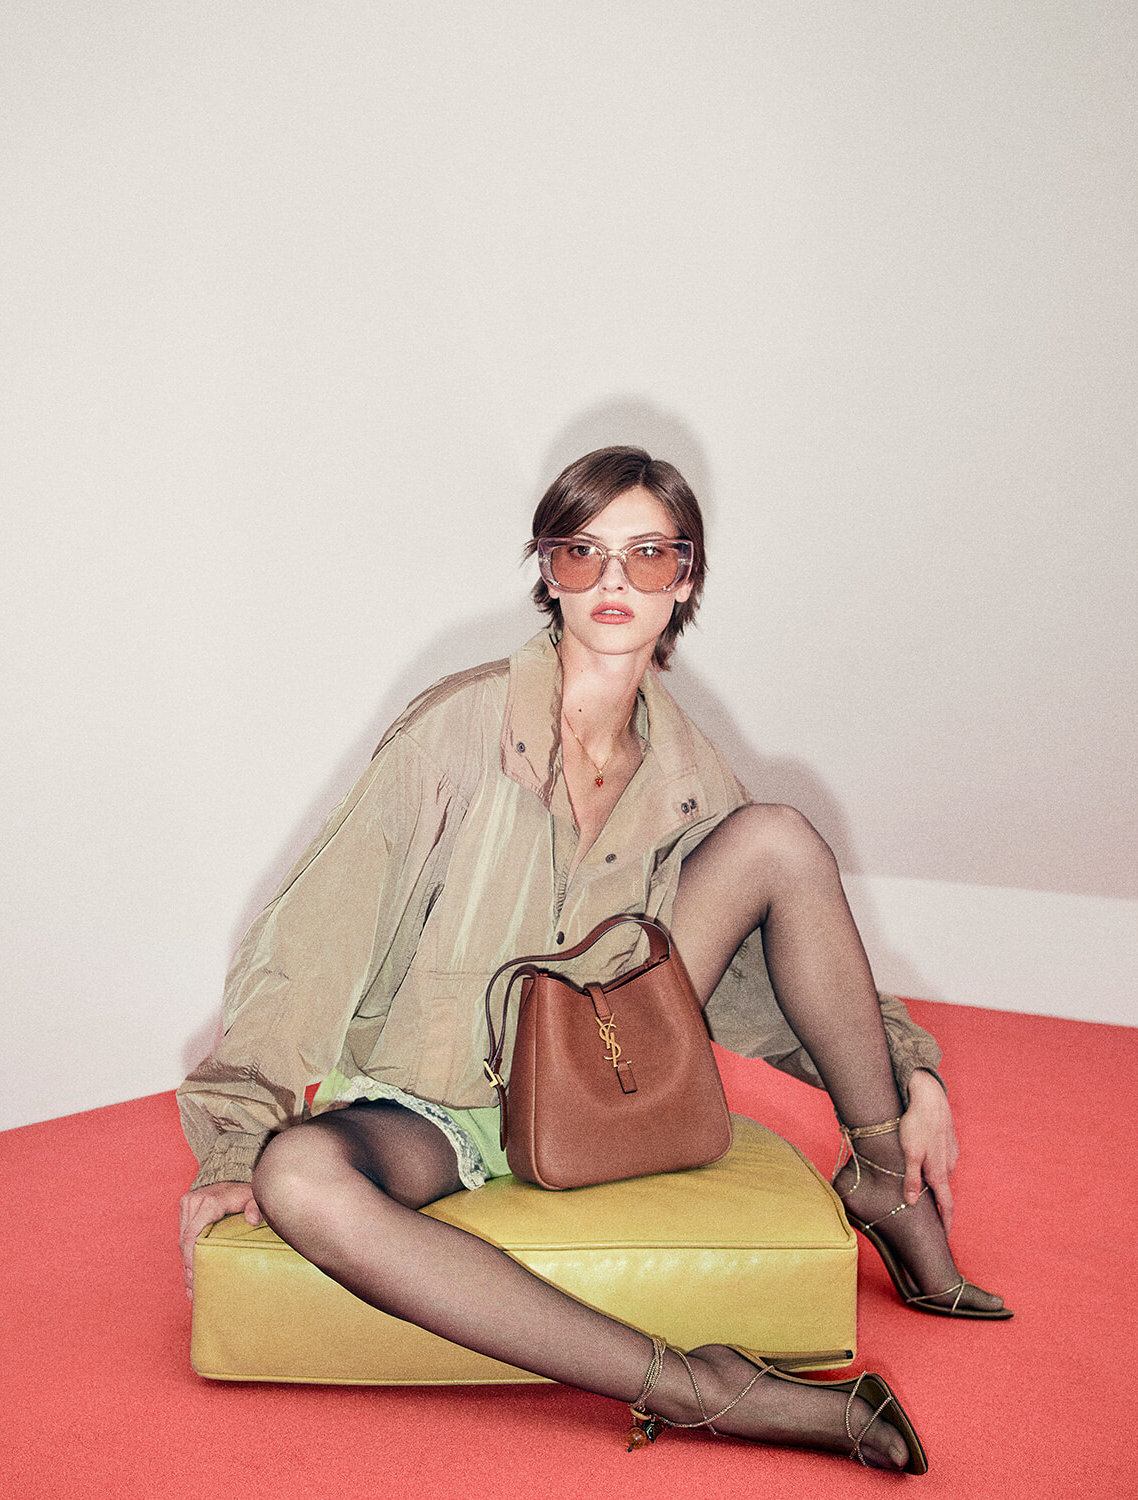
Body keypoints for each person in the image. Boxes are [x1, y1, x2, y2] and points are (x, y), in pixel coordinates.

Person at [178, 446, 1008, 1474]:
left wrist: (903, 1073)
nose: (615, 584)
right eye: (585, 553)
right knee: (300, 1178)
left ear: (687, 577)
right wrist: (234, 1142)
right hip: (440, 1100)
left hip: (599, 1076)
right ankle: (701, 1387)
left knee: (777, 841)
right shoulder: (457, 725)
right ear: (548, 568)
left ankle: (884, 1179)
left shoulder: (690, 766)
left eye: (649, 556)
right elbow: (313, 935)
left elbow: (761, 967)